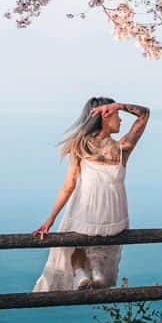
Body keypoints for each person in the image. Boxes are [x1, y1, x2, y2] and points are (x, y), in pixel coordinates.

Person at [32, 97, 150, 291]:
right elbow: (144, 114)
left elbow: (69, 186)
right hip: (115, 218)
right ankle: (96, 271)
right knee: (96, 235)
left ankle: (80, 273)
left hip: (87, 214)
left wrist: (50, 220)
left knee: (71, 231)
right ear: (105, 115)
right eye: (117, 115)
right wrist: (119, 104)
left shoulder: (81, 146)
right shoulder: (122, 149)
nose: (120, 120)